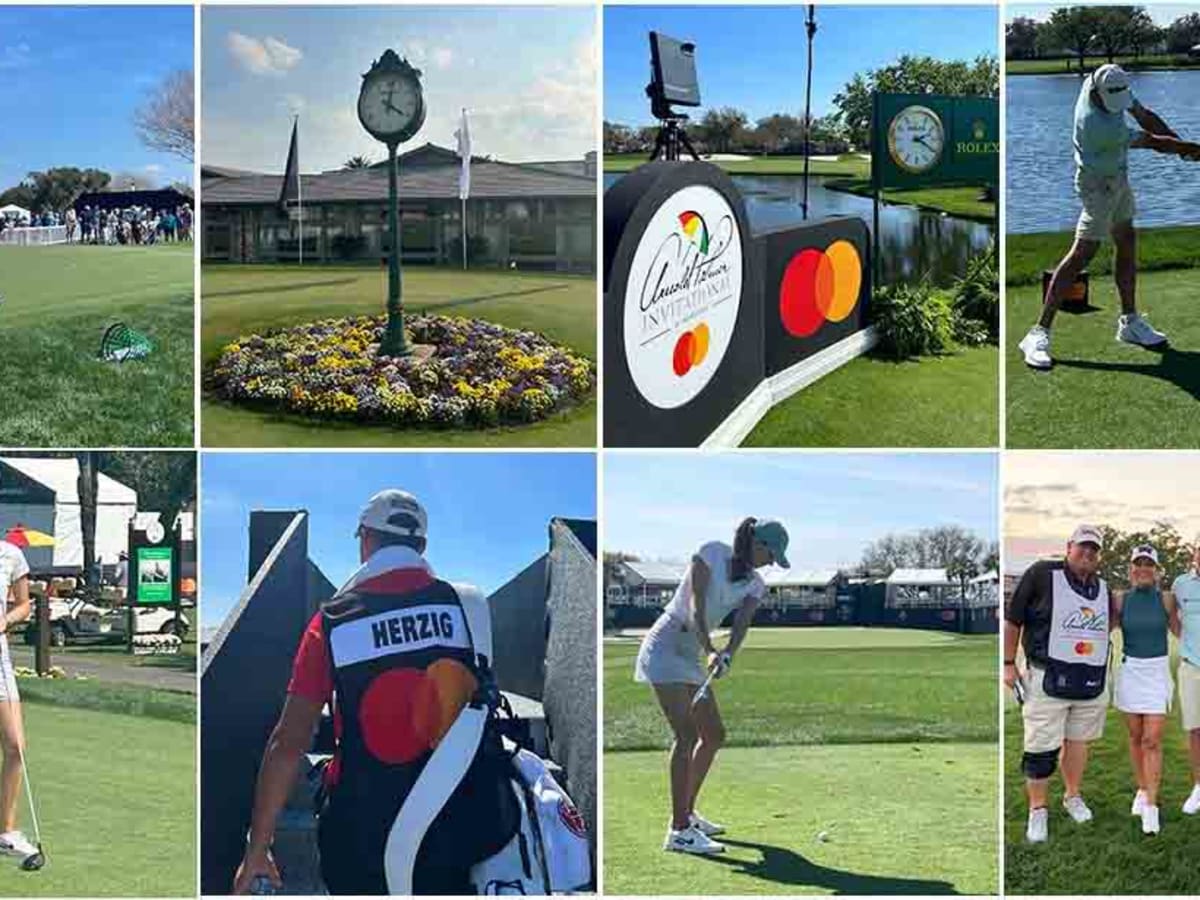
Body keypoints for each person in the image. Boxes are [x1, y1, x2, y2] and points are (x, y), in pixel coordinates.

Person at [232, 489, 514, 895]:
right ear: (422, 545)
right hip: (463, 824)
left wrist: (258, 847)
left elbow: (289, 742)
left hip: (362, 835)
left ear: (365, 539)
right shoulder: (467, 608)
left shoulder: (330, 621)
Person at [1017, 64, 1200, 369]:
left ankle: (1129, 322)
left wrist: (1184, 147)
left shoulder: (1107, 81)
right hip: (1097, 186)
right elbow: (1154, 142)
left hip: (1118, 176)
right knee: (1083, 253)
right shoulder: (1097, 125)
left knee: (1126, 239)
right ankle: (1038, 333)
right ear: (1095, 92)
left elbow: (1145, 116)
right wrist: (1187, 148)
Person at [633, 517, 790, 855]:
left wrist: (728, 655)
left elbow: (741, 624)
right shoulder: (711, 554)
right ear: (756, 542)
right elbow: (695, 607)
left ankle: (687, 813)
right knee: (686, 735)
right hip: (668, 643)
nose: (770, 562)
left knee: (714, 734)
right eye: (771, 554)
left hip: (691, 653)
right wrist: (709, 650)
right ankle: (678, 832)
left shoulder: (755, 584)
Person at [1004, 524, 1112, 843]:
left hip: (1089, 682)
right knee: (1040, 749)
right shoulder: (1041, 573)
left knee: (1078, 743)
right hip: (1045, 678)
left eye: (1093, 549)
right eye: (1082, 547)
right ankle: (1038, 810)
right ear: (1069, 547)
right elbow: (1013, 620)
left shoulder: (1102, 588)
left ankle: (1072, 796)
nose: (1087, 553)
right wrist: (1008, 664)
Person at [1113, 543, 1176, 834]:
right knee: (1136, 736)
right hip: (1130, 671)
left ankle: (1151, 805)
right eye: (1137, 564)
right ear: (1130, 570)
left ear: (1156, 571)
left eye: (1148, 564)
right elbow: (1100, 628)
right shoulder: (1120, 599)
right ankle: (1141, 788)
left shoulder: (1167, 599)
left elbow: (1183, 630)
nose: (1142, 569)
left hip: (1157, 672)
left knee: (1152, 739)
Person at [0, 539, 36, 861]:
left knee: (16, 746)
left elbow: (25, 605)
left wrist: (6, 620)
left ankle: (6, 832)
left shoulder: (11, 555)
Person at [1173, 542, 1200, 815]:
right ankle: (1199, 786)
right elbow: (1172, 615)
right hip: (1192, 667)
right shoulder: (1181, 584)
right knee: (1195, 730)